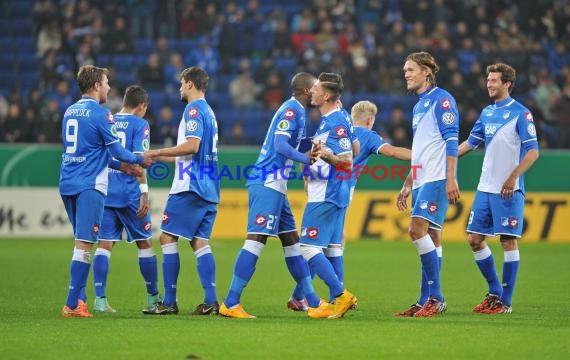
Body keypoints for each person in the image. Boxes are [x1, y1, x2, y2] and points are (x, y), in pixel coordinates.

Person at [218, 72, 325, 319]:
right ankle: (231, 303)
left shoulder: (298, 112)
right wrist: (305, 158)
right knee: (255, 241)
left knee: (292, 243)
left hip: (278, 185)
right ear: (308, 91)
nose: (319, 90)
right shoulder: (291, 110)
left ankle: (311, 301)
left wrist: (313, 145)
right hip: (268, 181)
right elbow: (280, 145)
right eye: (316, 86)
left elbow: (294, 144)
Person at [287, 100, 412, 308]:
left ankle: (311, 296)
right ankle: (323, 295)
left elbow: (309, 150)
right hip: (336, 193)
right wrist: (422, 155)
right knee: (320, 245)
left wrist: (306, 178)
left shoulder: (336, 126)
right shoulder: (367, 136)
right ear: (371, 119)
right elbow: (392, 152)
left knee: (333, 243)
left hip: (325, 188)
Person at [60, 65, 153, 317]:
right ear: (96, 86)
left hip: (68, 182)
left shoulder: (70, 111)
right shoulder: (101, 114)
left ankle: (80, 301)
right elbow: (118, 151)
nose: (109, 87)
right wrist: (139, 158)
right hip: (90, 185)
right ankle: (71, 304)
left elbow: (92, 152)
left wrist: (122, 166)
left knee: (82, 243)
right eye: (106, 82)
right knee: (84, 245)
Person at [458, 63, 539, 314]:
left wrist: (513, 177)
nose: (489, 84)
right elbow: (471, 143)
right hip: (486, 187)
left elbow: (533, 152)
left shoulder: (521, 114)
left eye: (494, 80)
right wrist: (444, 158)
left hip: (508, 189)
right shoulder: (486, 113)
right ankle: (495, 292)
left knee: (507, 241)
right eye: (488, 80)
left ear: (507, 84)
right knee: (474, 239)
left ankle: (505, 303)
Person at [142, 66, 220, 315]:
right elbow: (191, 152)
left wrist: (158, 151)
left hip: (190, 185)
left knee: (166, 237)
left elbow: (192, 146)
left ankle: (169, 302)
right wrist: (160, 159)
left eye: (180, 83)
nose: (179, 88)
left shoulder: (194, 109)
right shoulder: (209, 112)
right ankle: (211, 300)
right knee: (199, 241)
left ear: (188, 83)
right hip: (208, 185)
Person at [396, 52, 460, 317]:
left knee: (416, 230)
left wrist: (451, 177)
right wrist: (409, 181)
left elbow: (452, 140)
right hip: (422, 179)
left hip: (437, 177)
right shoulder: (418, 105)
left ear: (426, 71)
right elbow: (420, 148)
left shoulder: (442, 100)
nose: (406, 74)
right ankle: (425, 300)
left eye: (410, 70)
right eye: (405, 71)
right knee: (432, 237)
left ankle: (437, 297)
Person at [90, 85, 161, 314]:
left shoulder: (107, 118)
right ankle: (152, 299)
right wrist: (144, 192)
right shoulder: (141, 124)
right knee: (145, 243)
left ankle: (100, 300)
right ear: (141, 106)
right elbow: (140, 159)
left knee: (104, 245)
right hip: (130, 194)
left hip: (106, 191)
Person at [297, 72, 358, 319]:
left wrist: (324, 156)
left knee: (308, 247)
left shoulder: (336, 122)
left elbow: (347, 162)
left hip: (327, 194)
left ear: (328, 95)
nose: (312, 91)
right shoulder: (336, 117)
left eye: (317, 88)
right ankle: (337, 303)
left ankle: (341, 294)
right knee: (333, 248)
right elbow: (355, 146)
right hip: (332, 191)